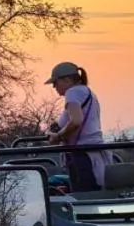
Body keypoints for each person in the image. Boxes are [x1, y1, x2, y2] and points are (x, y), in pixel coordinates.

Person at [45, 61, 109, 192]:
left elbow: (76, 121)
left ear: (67, 80)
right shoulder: (87, 92)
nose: (54, 87)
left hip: (83, 157)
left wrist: (58, 136)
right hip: (92, 155)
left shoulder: (72, 92)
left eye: (55, 83)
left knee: (85, 197)